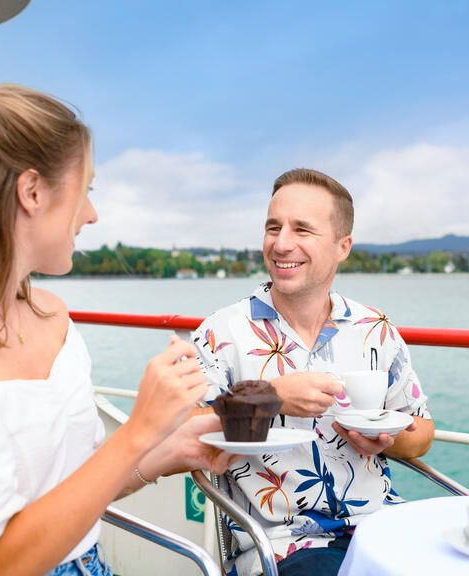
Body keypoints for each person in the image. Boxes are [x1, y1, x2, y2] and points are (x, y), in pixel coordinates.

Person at [0, 84, 233, 576]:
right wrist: (138, 430)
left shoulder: (53, 317)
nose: (92, 214)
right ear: (32, 192)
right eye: (86, 191)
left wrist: (169, 446)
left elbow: (70, 493)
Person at [193, 168, 435, 576]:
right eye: (274, 227)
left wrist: (384, 437)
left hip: (382, 527)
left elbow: (422, 433)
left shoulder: (374, 328)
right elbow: (183, 436)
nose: (281, 243)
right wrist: (270, 397)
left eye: (302, 230)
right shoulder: (221, 334)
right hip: (283, 544)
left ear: (343, 246)